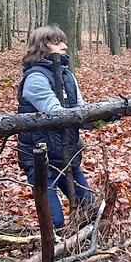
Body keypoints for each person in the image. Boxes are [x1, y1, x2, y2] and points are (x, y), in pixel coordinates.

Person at [16, 25, 96, 230]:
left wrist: (102, 117)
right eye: (57, 42)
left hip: (67, 155)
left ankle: (81, 249)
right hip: (41, 162)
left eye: (63, 41)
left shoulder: (68, 75)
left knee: (90, 208)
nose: (64, 46)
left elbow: (81, 110)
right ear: (42, 46)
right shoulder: (35, 78)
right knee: (55, 222)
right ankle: (52, 257)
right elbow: (56, 114)